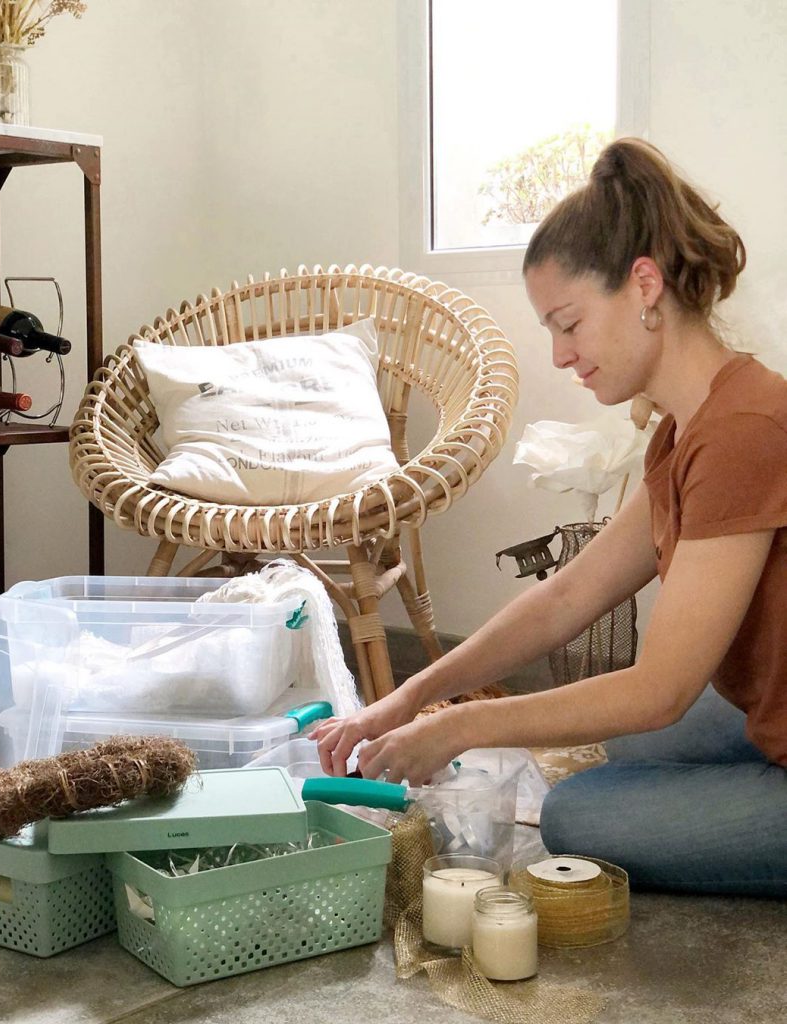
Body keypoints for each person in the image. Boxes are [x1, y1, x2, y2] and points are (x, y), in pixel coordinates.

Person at [311, 138, 787, 897]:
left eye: (568, 323)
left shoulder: (742, 432)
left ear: (644, 286)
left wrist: (461, 726)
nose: (561, 354)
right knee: (629, 747)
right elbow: (567, 596)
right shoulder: (688, 426)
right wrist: (408, 697)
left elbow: (660, 690)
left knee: (580, 813)